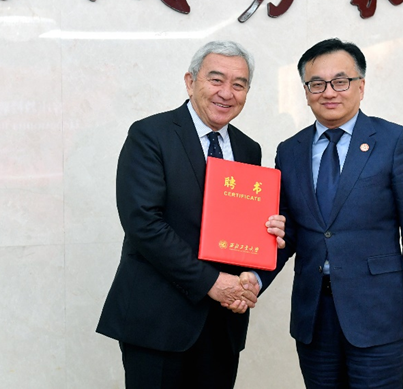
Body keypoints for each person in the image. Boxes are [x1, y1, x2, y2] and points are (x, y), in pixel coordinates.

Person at [97, 40, 285, 389]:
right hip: (158, 321)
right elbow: (144, 223)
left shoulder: (248, 148)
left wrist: (268, 230)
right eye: (216, 80)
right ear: (190, 81)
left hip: (222, 325)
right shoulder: (150, 134)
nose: (226, 93)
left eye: (239, 84)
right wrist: (212, 283)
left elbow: (238, 227)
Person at [257, 38, 403, 388]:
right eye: (317, 84)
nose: (329, 92)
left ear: (361, 86)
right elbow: (287, 232)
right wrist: (253, 278)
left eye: (341, 81)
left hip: (377, 313)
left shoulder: (394, 141)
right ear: (306, 92)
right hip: (313, 314)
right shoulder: (290, 151)